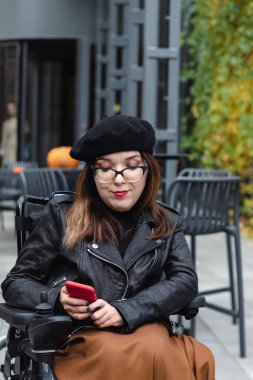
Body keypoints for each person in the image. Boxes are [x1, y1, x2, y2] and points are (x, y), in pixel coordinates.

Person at [1, 115, 215, 379]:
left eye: (132, 166)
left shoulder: (166, 221)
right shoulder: (63, 216)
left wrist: (126, 310)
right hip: (82, 335)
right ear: (92, 175)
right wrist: (57, 298)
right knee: (159, 353)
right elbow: (16, 282)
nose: (119, 178)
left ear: (148, 170)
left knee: (165, 348)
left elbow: (184, 280)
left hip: (143, 325)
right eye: (105, 168)